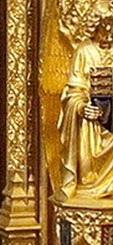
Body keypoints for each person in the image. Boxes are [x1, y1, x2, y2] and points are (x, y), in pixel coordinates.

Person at [59, 12, 113, 199]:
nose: (108, 36)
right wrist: (82, 107)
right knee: (90, 121)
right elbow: (73, 93)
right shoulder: (84, 51)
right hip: (93, 122)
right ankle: (89, 180)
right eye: (105, 29)